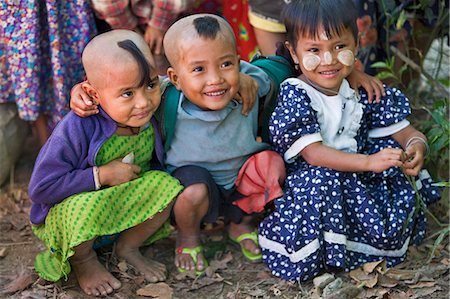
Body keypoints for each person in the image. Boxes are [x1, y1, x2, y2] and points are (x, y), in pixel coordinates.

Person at [70, 13, 385, 275]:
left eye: (225, 65)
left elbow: (294, 65)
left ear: (238, 61)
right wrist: (80, 93)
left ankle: (240, 223)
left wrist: (352, 74)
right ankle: (188, 235)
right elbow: (120, 90)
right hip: (194, 183)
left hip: (241, 176)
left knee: (273, 164)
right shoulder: (163, 95)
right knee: (192, 191)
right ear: (175, 77)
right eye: (198, 70)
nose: (215, 80)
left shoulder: (249, 77)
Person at [258, 0, 441, 282]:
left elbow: (407, 133)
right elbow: (314, 154)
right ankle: (326, 252)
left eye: (339, 47)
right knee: (322, 178)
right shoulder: (297, 94)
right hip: (318, 183)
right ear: (294, 53)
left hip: (357, 176)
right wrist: (368, 163)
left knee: (390, 155)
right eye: (314, 51)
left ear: (356, 44)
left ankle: (367, 245)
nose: (329, 59)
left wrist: (417, 146)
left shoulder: (361, 89)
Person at [28, 30, 183, 297]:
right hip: (75, 219)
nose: (144, 102)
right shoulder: (78, 126)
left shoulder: (155, 103)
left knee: (167, 186)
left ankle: (127, 247)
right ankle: (84, 261)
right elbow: (40, 188)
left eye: (150, 85)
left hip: (121, 208)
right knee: (82, 209)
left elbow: (191, 82)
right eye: (127, 94)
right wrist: (100, 175)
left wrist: (249, 80)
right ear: (92, 93)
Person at [0, 1, 97, 145]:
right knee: (33, 73)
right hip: (26, 12)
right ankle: (48, 147)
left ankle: (60, 144)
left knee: (65, 74)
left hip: (53, 11)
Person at [89, 0, 193, 74]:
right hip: (123, 22)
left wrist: (158, 24)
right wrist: (131, 31)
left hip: (170, 17)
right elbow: (109, 5)